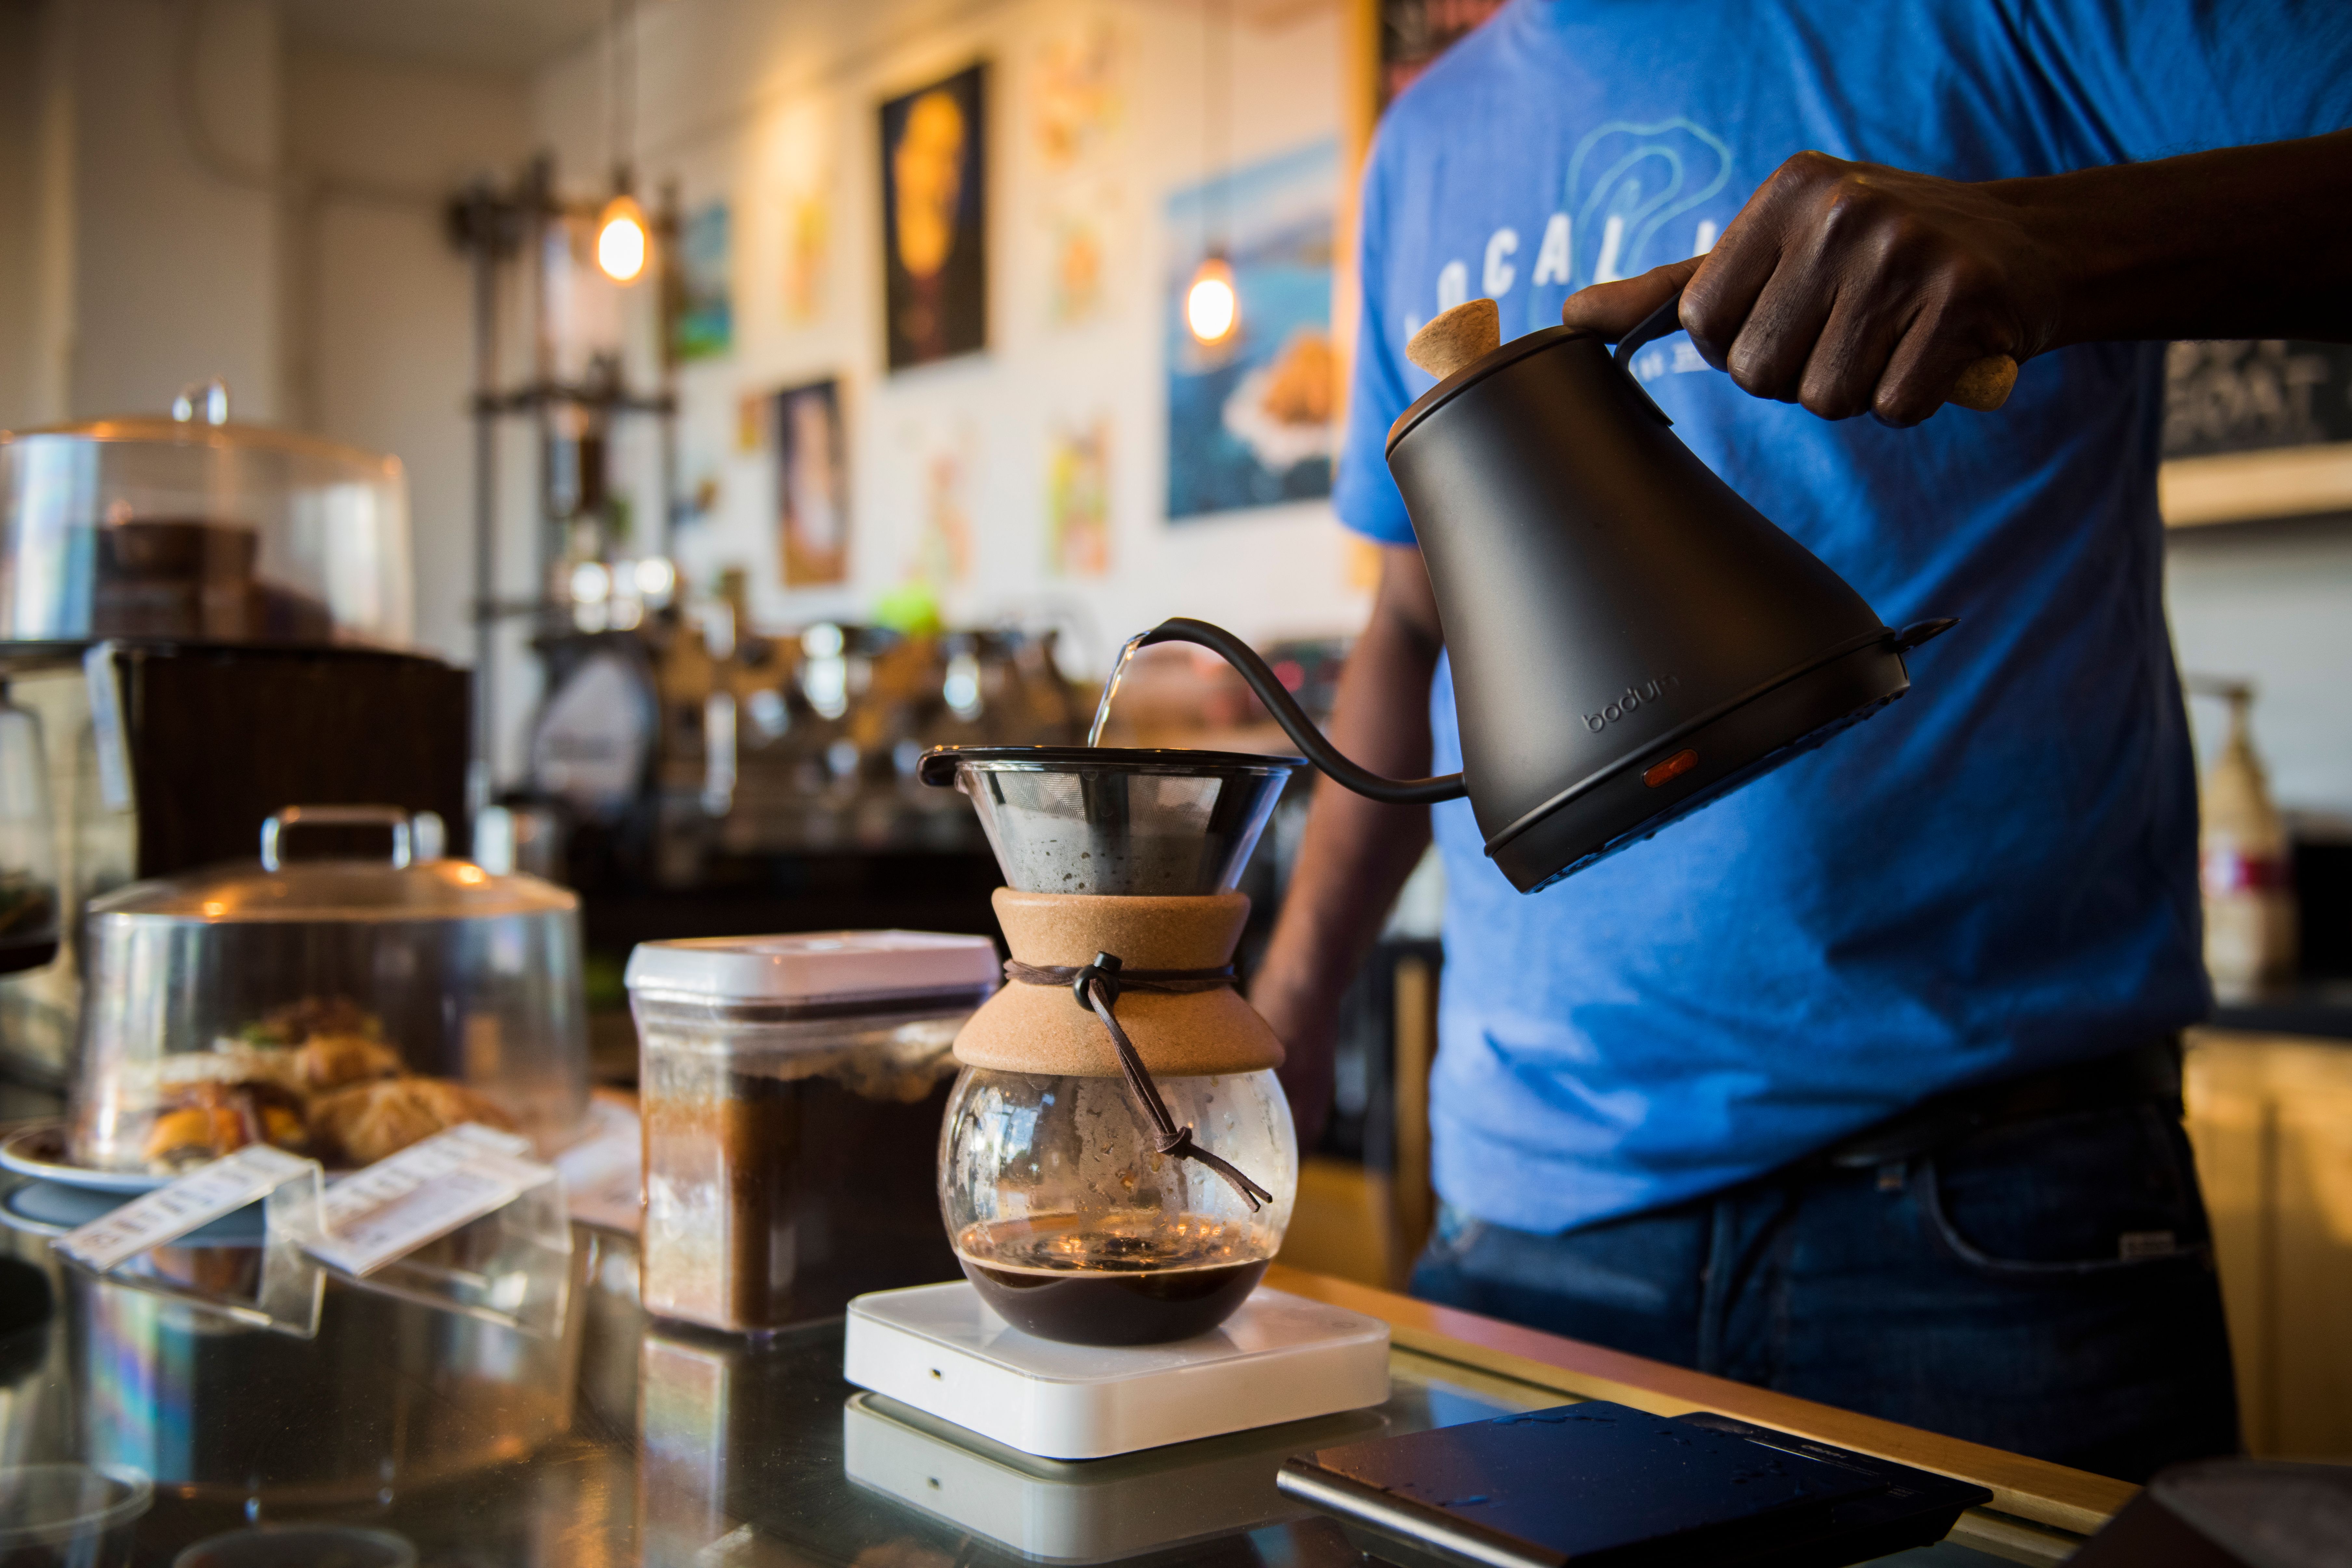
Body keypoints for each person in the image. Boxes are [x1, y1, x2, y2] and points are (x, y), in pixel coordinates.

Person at [1251, 0, 2352, 1484]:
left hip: (1990, 1217)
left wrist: (2048, 249)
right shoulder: (1427, 138)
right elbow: (1411, 613)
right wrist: (1296, 1001)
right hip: (1528, 1218)